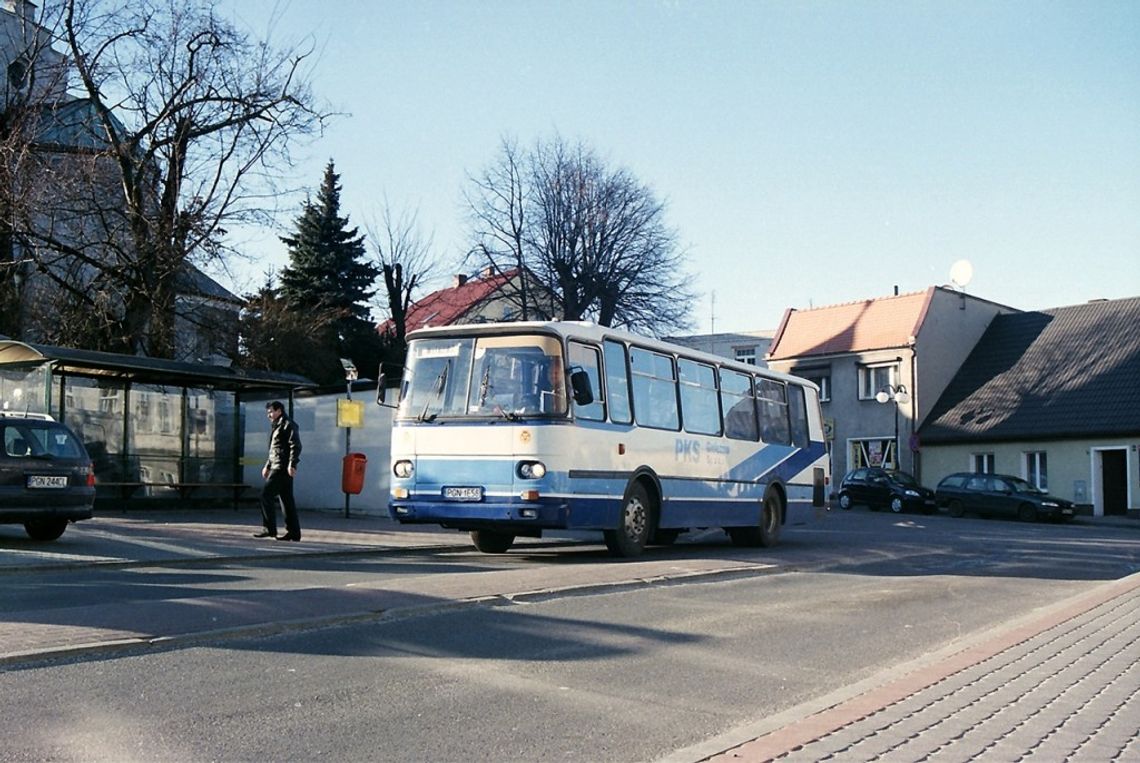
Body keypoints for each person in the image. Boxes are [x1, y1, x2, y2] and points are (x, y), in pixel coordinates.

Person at [255, 400, 303, 541]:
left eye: (271, 411)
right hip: (277, 465)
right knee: (286, 500)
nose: (269, 415)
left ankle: (269, 529)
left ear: (279, 411)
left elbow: (296, 445)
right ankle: (294, 533)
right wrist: (267, 465)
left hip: (282, 467)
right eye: (268, 412)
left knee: (266, 495)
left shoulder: (288, 424)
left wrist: (291, 464)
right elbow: (274, 449)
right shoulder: (277, 425)